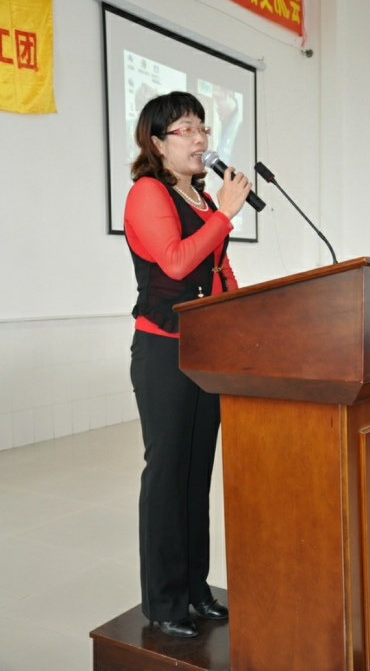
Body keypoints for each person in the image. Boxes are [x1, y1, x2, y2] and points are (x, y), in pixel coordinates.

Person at [124, 91, 251, 639]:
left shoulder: (199, 197)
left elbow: (218, 269)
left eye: (203, 127)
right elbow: (176, 262)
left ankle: (196, 590)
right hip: (163, 352)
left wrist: (245, 313)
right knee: (167, 475)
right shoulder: (147, 192)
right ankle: (164, 600)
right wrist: (224, 214)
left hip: (206, 353)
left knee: (196, 477)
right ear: (158, 143)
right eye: (187, 129)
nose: (201, 139)